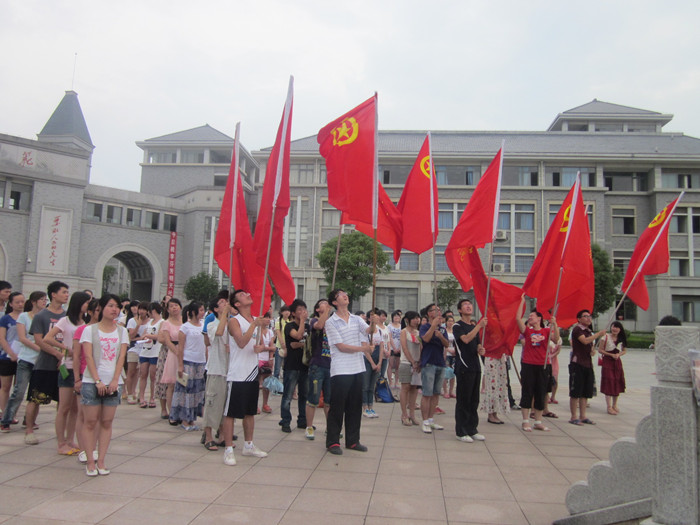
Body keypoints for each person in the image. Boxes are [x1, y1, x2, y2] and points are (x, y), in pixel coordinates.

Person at [79, 294, 128, 476]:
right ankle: (90, 461)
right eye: (110, 305)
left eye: (117, 306)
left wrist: (115, 380)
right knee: (90, 421)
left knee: (107, 422)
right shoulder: (89, 330)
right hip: (92, 381)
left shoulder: (122, 331)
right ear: (101, 308)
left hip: (114, 382)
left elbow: (121, 357)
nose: (114, 309)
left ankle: (101, 460)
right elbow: (88, 356)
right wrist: (98, 380)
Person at [221, 290, 269, 466]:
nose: (248, 295)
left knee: (250, 411)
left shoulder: (255, 320)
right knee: (231, 413)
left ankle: (248, 445)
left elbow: (260, 344)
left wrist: (261, 348)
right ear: (237, 304)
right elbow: (241, 343)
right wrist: (254, 325)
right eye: (242, 295)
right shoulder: (235, 321)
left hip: (252, 372)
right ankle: (228, 449)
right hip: (238, 373)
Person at [324, 289, 371, 455]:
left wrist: (373, 324)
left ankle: (353, 440)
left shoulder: (357, 319)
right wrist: (363, 349)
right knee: (337, 407)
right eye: (340, 294)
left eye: (346, 293)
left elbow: (368, 331)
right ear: (334, 302)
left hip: (357, 368)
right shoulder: (331, 322)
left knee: (355, 407)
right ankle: (333, 442)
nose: (345, 295)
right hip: (341, 370)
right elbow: (341, 347)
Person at [44, 291, 91, 455]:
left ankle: (70, 439)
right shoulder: (65, 321)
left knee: (76, 409)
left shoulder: (85, 322)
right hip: (68, 366)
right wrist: (66, 349)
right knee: (63, 407)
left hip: (81, 368)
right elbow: (47, 338)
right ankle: (61, 442)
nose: (88, 305)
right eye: (86, 302)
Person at [25, 281, 69, 445]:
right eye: (64, 292)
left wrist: (63, 357)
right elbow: (39, 340)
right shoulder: (41, 316)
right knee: (35, 398)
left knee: (63, 402)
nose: (66, 295)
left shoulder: (67, 316)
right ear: (53, 294)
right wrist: (58, 355)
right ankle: (29, 430)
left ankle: (61, 434)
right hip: (44, 365)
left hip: (63, 367)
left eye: (67, 292)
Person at [0, 291, 46, 432]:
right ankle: (6, 419)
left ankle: (30, 420)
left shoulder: (45, 317)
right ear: (33, 302)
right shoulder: (24, 317)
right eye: (42, 299)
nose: (44, 302)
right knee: (19, 391)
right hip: (26, 359)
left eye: (45, 300)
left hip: (40, 361)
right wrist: (40, 348)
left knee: (36, 393)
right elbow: (23, 338)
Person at [516, 298, 558, 432]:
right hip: (528, 364)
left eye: (532, 316)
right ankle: (525, 421)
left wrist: (555, 324)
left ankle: (538, 421)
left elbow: (556, 339)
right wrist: (521, 302)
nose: (530, 318)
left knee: (541, 392)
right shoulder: (527, 331)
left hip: (543, 365)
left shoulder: (546, 331)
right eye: (529, 316)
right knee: (527, 392)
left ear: (539, 318)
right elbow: (517, 319)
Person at [452, 299, 487, 442]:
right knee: (463, 400)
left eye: (470, 304)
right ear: (460, 310)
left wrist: (480, 349)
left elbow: (476, 344)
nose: (468, 306)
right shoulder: (457, 326)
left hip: (475, 366)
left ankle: (472, 429)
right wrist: (479, 326)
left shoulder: (473, 326)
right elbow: (465, 339)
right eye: (465, 305)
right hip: (464, 367)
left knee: (474, 400)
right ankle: (461, 431)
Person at [72, 297, 101, 464]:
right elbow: (76, 356)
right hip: (85, 375)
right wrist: (77, 379)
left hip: (102, 376)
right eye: (97, 310)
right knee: (83, 415)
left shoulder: (109, 330)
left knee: (98, 416)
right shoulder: (82, 330)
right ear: (89, 312)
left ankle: (93, 447)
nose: (100, 313)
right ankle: (83, 449)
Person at [172, 302, 207, 430]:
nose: (203, 313)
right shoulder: (185, 327)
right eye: (201, 310)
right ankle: (184, 420)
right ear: (193, 312)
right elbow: (180, 348)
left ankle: (192, 419)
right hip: (188, 361)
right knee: (186, 391)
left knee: (197, 392)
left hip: (201, 361)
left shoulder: (203, 325)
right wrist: (180, 365)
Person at [201, 298, 230, 451]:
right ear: (216, 309)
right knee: (212, 403)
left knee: (225, 406)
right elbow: (218, 333)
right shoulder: (212, 324)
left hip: (229, 370)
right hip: (216, 369)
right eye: (222, 303)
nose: (226, 304)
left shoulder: (232, 325)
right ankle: (208, 436)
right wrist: (225, 314)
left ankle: (223, 435)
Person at [569, 309, 606, 426]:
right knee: (575, 391)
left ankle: (583, 416)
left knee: (585, 392)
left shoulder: (589, 331)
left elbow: (589, 345)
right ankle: (573, 416)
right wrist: (598, 334)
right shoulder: (577, 329)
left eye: (589, 316)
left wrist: (592, 350)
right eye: (585, 316)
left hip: (587, 364)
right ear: (579, 319)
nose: (588, 318)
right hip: (577, 364)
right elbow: (584, 341)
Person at [280, 299, 309, 433]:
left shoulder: (308, 327)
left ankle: (303, 421)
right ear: (293, 313)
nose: (303, 312)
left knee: (304, 395)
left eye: (304, 309)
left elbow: (306, 343)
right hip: (291, 366)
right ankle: (285, 421)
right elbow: (297, 336)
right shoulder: (289, 326)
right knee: (288, 395)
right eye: (299, 310)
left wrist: (299, 344)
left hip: (304, 366)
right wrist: (302, 322)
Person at [419, 303, 449, 433]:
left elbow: (446, 344)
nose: (438, 312)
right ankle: (425, 420)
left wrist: (441, 336)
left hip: (440, 363)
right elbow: (425, 339)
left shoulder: (442, 329)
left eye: (439, 310)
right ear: (429, 313)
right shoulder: (425, 327)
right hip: (429, 363)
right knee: (427, 393)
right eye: (435, 310)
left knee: (436, 393)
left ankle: (431, 419)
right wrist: (432, 327)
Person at [305, 298, 332, 440]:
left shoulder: (333, 322)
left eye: (328, 303)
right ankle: (309, 427)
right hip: (317, 365)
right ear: (317, 309)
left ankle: (331, 427)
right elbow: (320, 326)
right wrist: (326, 312)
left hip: (331, 366)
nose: (327, 305)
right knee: (313, 398)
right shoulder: (314, 321)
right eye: (323, 303)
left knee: (329, 400)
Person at [159, 298, 183, 424]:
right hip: (173, 354)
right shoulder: (166, 323)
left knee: (183, 384)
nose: (174, 308)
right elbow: (167, 341)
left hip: (185, 353)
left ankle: (182, 412)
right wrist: (178, 352)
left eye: (176, 305)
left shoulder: (185, 321)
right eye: (171, 306)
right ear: (167, 309)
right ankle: (172, 413)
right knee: (172, 384)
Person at [0, 292, 24, 415]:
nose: (20, 304)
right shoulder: (5, 319)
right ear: (11, 304)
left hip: (22, 356)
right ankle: (3, 412)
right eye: (17, 302)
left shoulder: (26, 317)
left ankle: (12, 413)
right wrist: (11, 353)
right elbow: (2, 338)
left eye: (22, 302)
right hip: (6, 357)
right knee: (5, 387)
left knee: (18, 388)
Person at [398, 311, 422, 426]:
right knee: (405, 388)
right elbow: (404, 348)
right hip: (406, 363)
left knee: (414, 389)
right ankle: (404, 415)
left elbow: (421, 348)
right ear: (407, 320)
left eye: (418, 318)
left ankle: (412, 414)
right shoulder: (404, 332)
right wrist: (412, 361)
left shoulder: (419, 333)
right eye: (414, 318)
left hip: (417, 364)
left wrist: (419, 361)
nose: (417, 320)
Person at [137, 302, 163, 408]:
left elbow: (160, 336)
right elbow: (143, 335)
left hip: (155, 352)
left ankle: (152, 397)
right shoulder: (149, 322)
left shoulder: (162, 322)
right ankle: (141, 397)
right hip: (145, 351)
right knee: (143, 374)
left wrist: (149, 336)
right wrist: (144, 337)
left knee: (153, 376)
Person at [599, 321, 627, 415]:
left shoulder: (621, 339)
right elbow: (600, 350)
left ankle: (615, 404)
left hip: (617, 363)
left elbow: (624, 350)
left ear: (620, 329)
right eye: (613, 327)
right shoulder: (605, 337)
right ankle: (609, 406)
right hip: (607, 362)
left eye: (617, 327)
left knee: (616, 382)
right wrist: (610, 355)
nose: (615, 329)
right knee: (609, 382)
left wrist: (619, 354)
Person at [362, 310, 384, 418]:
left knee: (372, 386)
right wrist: (372, 363)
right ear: (368, 318)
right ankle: (365, 407)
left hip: (377, 359)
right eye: (372, 316)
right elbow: (365, 349)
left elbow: (381, 347)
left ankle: (371, 406)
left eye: (376, 316)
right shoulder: (365, 331)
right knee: (365, 385)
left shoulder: (379, 331)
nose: (374, 318)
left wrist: (379, 362)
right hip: (367, 360)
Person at [124, 301, 145, 404]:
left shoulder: (149, 321)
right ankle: (129, 393)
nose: (139, 310)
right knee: (131, 371)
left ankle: (133, 391)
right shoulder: (132, 321)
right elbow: (131, 336)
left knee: (137, 372)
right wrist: (138, 325)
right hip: (133, 348)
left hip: (144, 349)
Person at [257, 312, 275, 414]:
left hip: (267, 359)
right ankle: (255, 404)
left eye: (269, 317)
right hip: (258, 358)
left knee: (267, 383)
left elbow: (272, 346)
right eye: (266, 317)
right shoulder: (257, 330)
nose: (268, 319)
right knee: (257, 382)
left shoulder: (270, 332)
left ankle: (265, 404)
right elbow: (261, 346)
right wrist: (269, 348)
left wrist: (271, 358)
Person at [273, 306, 290, 380]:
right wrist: (283, 345)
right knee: (277, 368)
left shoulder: (290, 322)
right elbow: (279, 335)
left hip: (288, 348)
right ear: (281, 312)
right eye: (285, 311)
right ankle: (275, 384)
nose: (287, 312)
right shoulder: (278, 322)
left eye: (288, 311)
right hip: (280, 347)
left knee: (286, 368)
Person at [442, 315, 457, 399]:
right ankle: (445, 391)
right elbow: (443, 344)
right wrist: (448, 350)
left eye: (452, 321)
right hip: (446, 353)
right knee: (446, 373)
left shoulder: (455, 331)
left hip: (454, 354)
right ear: (446, 322)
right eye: (449, 321)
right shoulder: (444, 331)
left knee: (453, 373)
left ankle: (451, 391)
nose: (450, 323)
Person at [387, 310, 402, 389]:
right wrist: (394, 348)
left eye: (398, 316)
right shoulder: (389, 326)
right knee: (390, 364)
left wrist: (399, 348)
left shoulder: (402, 326)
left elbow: (403, 338)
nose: (396, 317)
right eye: (395, 316)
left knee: (398, 366)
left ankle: (397, 381)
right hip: (392, 348)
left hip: (400, 348)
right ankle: (390, 382)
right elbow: (390, 337)